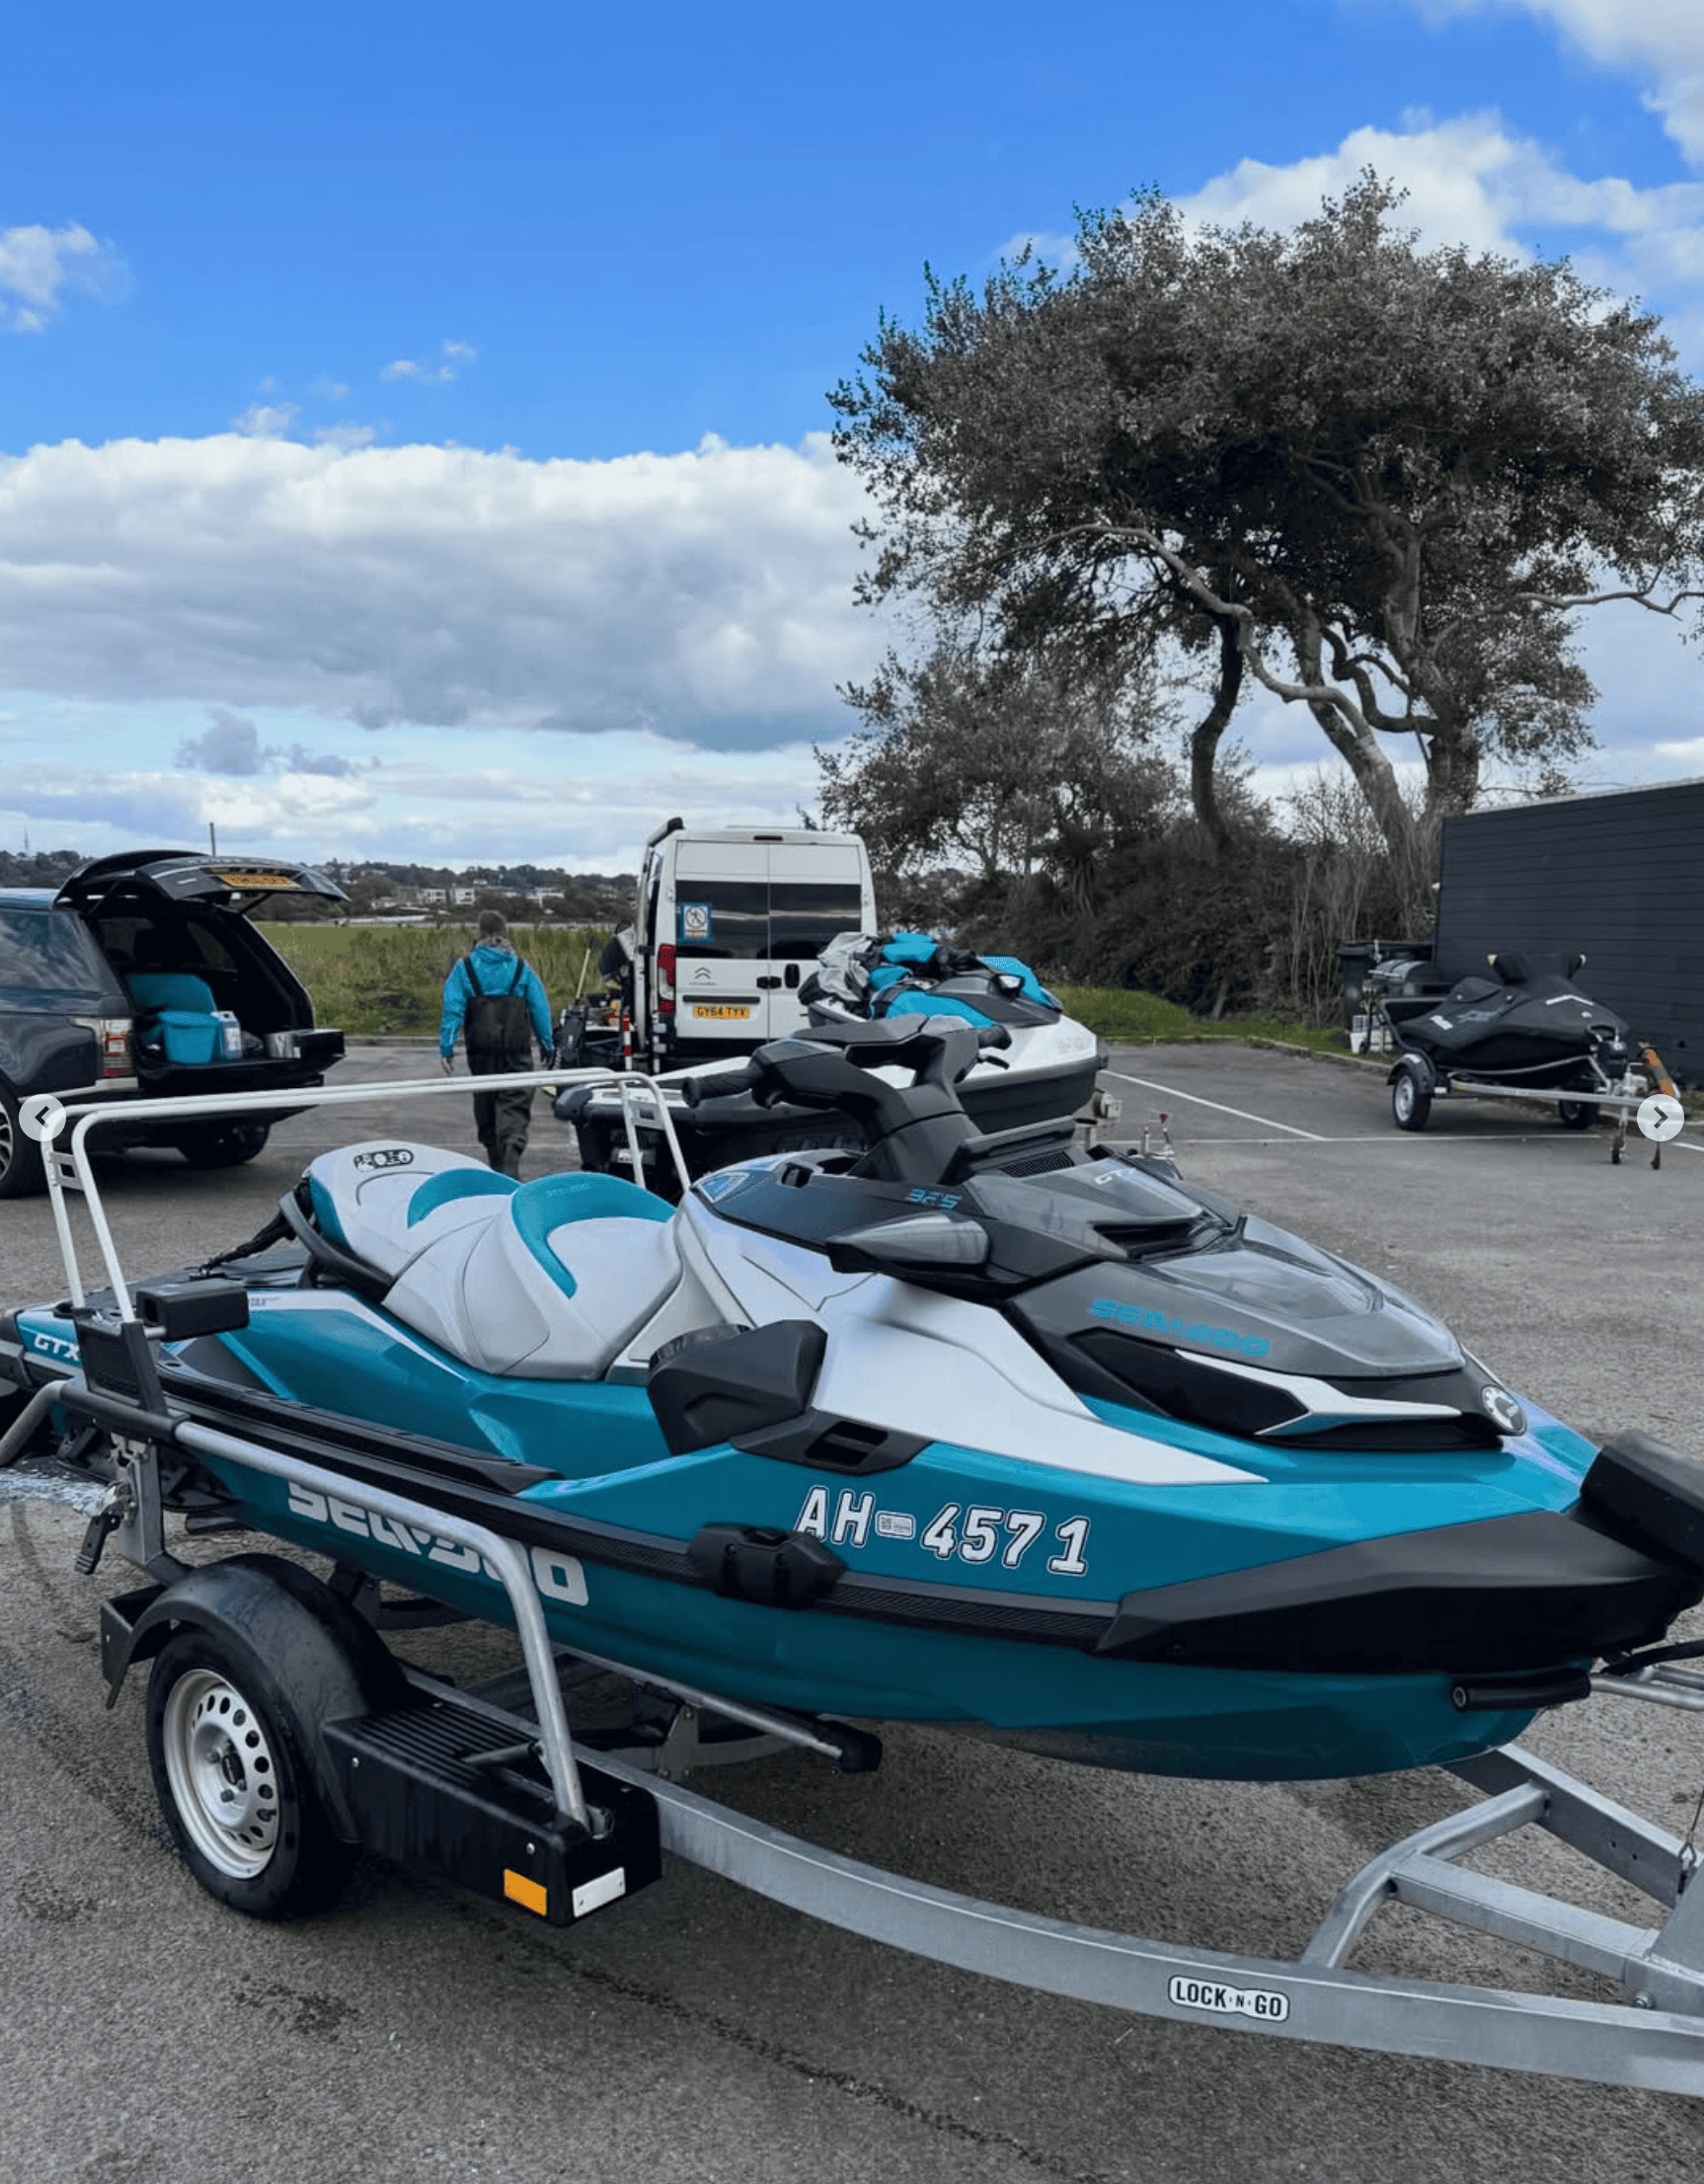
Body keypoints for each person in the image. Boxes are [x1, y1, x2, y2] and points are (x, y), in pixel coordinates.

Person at [438, 910, 553, 1177]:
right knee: (515, 1104)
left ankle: (496, 1164)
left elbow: (453, 1009)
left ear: (479, 932)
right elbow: (539, 1008)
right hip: (516, 1051)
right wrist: (547, 1044)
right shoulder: (521, 967)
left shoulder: (464, 968)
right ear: (505, 932)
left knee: (486, 1105)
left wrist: (447, 1047)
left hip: (481, 1053)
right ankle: (511, 1160)